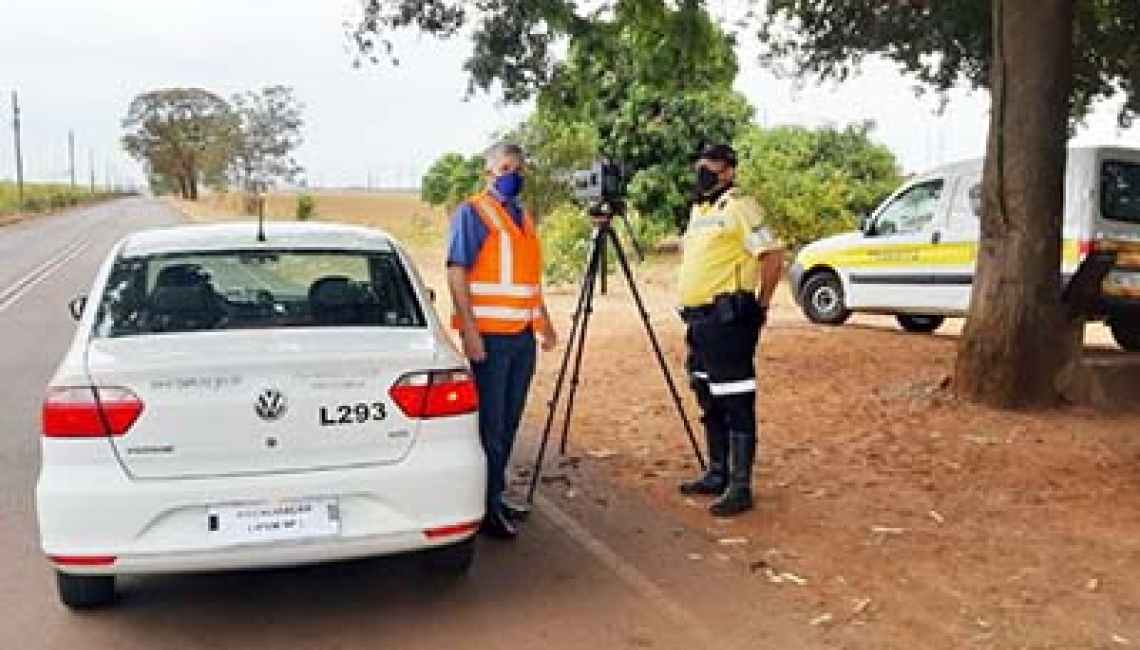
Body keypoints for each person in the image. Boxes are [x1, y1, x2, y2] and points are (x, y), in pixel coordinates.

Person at [446, 142, 558, 539]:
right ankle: (485, 506)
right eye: (504, 168)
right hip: (489, 339)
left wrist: (542, 320)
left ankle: (495, 492)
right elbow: (457, 271)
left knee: (509, 421)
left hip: (521, 337)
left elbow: (527, 277)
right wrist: (471, 331)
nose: (512, 174)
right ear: (488, 171)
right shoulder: (472, 213)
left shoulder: (522, 217)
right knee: (489, 426)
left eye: (517, 168)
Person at [676, 143, 783, 517]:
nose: (703, 170)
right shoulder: (699, 210)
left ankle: (740, 486)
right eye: (699, 163)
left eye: (712, 165)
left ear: (729, 171)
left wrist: (762, 305)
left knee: (735, 399)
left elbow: (771, 257)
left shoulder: (740, 207)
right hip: (699, 321)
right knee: (707, 395)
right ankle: (717, 472)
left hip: (729, 319)